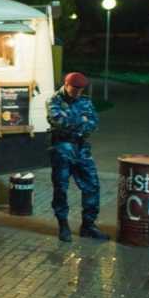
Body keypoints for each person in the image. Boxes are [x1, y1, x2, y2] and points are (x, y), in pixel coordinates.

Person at [47, 72, 109, 242]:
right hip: (62, 148)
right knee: (61, 187)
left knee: (92, 185)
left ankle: (88, 226)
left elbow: (94, 123)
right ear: (66, 85)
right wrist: (82, 120)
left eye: (81, 90)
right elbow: (60, 122)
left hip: (81, 148)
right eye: (75, 90)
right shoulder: (54, 101)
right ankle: (63, 225)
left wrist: (76, 122)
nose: (78, 93)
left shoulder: (85, 101)